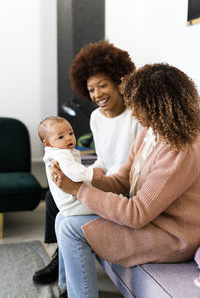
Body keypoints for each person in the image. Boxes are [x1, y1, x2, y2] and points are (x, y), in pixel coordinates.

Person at [51, 63, 200, 298]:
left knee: (71, 227)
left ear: (158, 106)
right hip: (152, 221)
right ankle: (66, 288)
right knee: (63, 215)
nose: (134, 111)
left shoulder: (180, 149)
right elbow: (123, 179)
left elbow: (137, 213)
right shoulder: (150, 132)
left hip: (172, 236)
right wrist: (80, 181)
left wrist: (80, 191)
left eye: (139, 105)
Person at [33, 40, 141, 285]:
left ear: (119, 80)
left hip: (123, 184)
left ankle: (63, 255)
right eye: (91, 89)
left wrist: (96, 181)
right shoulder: (95, 117)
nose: (97, 95)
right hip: (105, 178)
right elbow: (103, 157)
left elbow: (136, 164)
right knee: (53, 195)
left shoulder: (136, 116)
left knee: (66, 205)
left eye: (103, 85)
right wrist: (89, 173)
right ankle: (62, 256)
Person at [38, 116, 104, 217]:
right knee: (103, 204)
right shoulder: (61, 154)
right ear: (48, 143)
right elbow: (76, 173)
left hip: (69, 204)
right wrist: (92, 173)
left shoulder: (56, 152)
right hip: (74, 204)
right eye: (61, 137)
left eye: (71, 133)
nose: (69, 138)